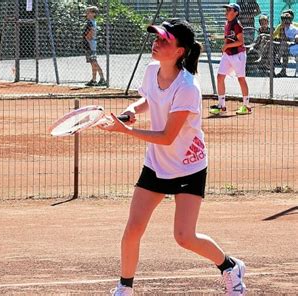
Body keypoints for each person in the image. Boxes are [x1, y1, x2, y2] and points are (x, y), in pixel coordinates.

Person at [97, 19, 246, 296]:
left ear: (180, 51)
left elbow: (167, 136)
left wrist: (124, 129)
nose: (157, 42)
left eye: (164, 40)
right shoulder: (152, 69)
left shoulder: (188, 87)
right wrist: (130, 111)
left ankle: (230, 267)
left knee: (184, 237)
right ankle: (124, 288)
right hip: (156, 164)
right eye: (156, 37)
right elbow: (148, 99)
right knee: (133, 229)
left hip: (188, 167)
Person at [210, 3, 251, 116]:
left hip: (238, 55)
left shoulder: (237, 25)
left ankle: (246, 106)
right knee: (220, 77)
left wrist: (226, 46)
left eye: (229, 9)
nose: (226, 11)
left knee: (241, 79)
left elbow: (240, 42)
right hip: (227, 55)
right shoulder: (226, 24)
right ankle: (221, 106)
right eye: (226, 9)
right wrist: (224, 46)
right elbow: (227, 39)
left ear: (236, 13)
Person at [82, 5, 106, 87]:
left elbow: (91, 31)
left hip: (90, 44)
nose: (87, 14)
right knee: (92, 62)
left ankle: (102, 78)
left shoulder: (90, 22)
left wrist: (87, 38)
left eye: (88, 12)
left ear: (93, 13)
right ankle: (94, 80)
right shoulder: (92, 21)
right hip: (90, 43)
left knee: (94, 62)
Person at [272, 10, 298, 77]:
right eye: (283, 19)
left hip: (292, 45)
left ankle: (279, 61)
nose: (285, 21)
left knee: (285, 45)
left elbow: (295, 36)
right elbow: (274, 36)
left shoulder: (295, 26)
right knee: (282, 45)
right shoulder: (280, 26)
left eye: (287, 19)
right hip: (281, 46)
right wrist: (282, 30)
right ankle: (274, 69)